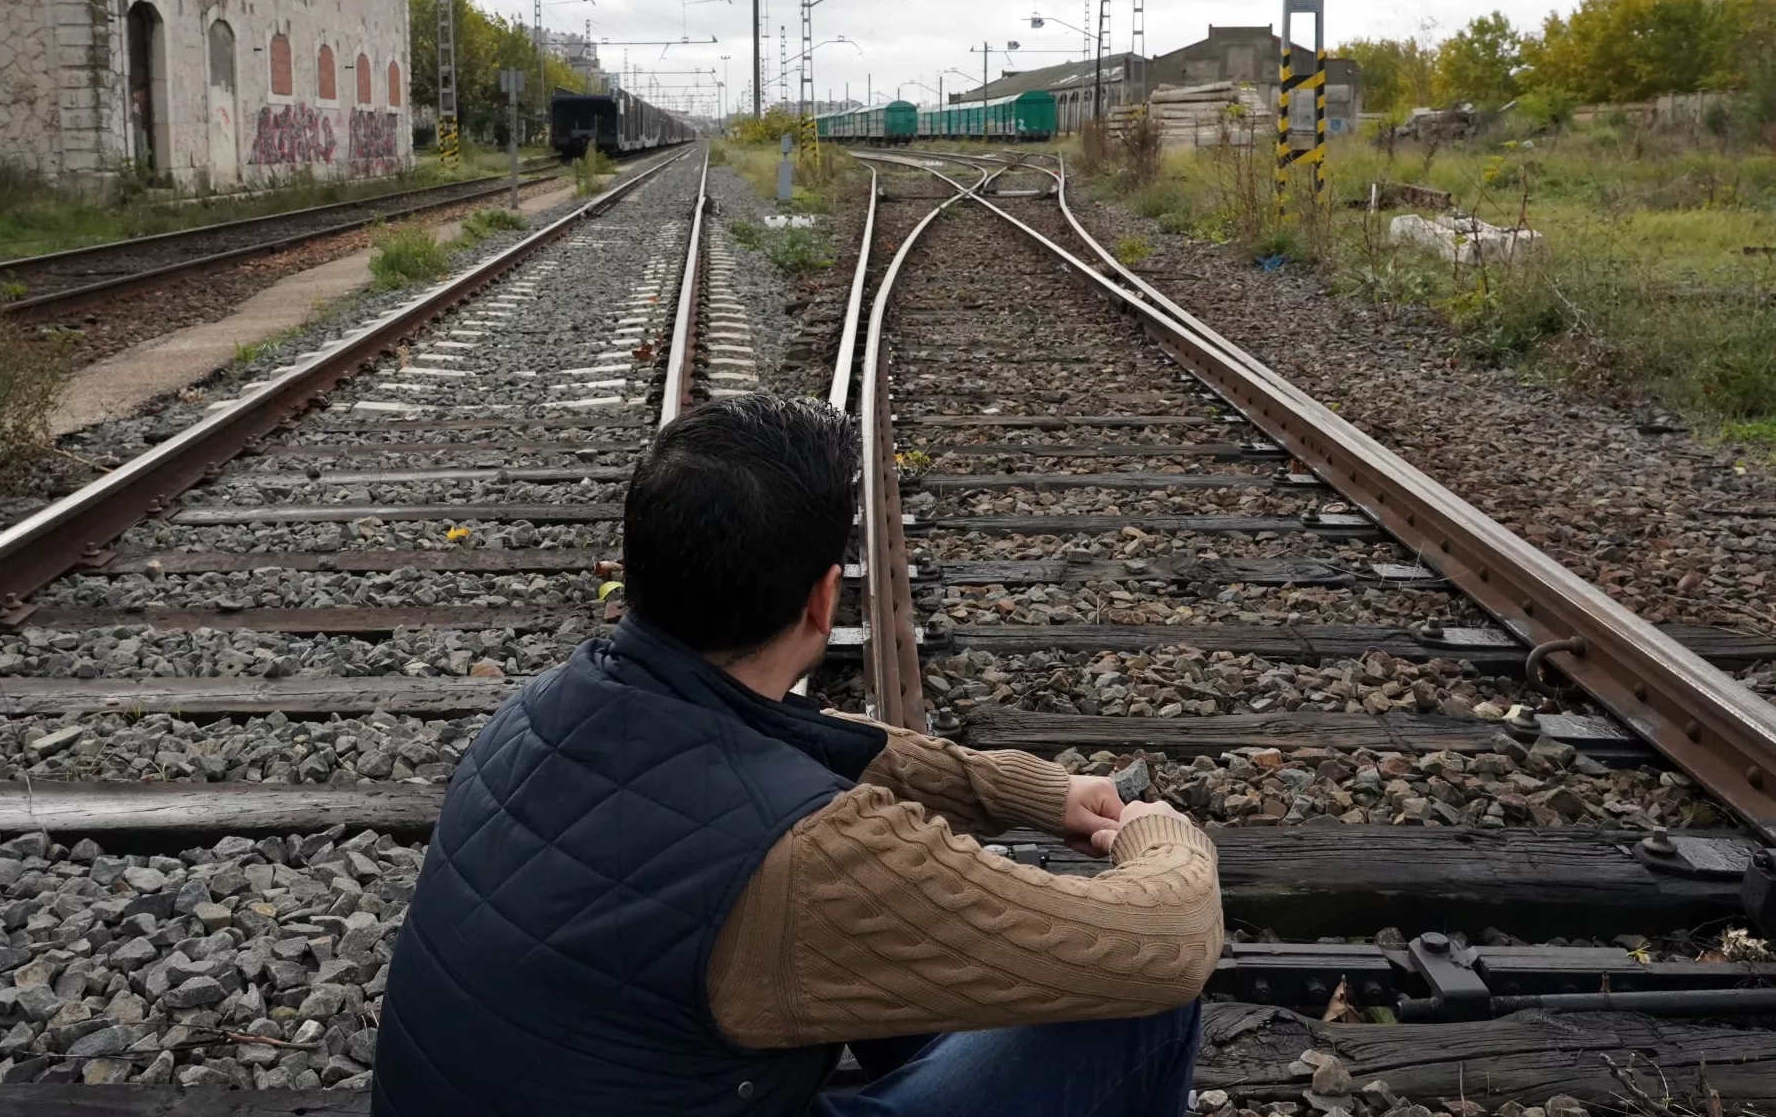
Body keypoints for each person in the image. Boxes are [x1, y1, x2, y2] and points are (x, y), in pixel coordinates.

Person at [373, 395, 1223, 1117]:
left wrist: (1025, 791)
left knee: (901, 958)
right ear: (823, 600)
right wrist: (1162, 837)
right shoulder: (804, 859)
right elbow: (1167, 947)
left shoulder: (540, 708)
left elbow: (798, 734)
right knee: (1134, 1006)